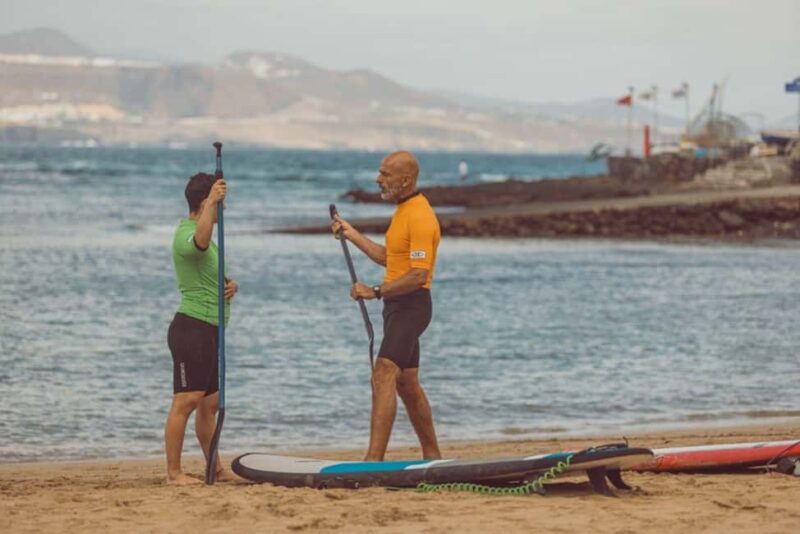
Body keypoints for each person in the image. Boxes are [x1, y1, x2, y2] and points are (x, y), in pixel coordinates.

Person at [331, 151, 442, 461]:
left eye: (385, 174)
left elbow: (419, 275)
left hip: (411, 307)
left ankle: (373, 460)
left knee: (382, 374)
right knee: (407, 383)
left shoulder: (420, 216)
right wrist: (351, 234)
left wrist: (375, 291)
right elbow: (388, 258)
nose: (378, 180)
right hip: (397, 306)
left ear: (405, 180)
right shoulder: (403, 210)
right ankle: (432, 456)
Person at [164, 172, 239, 485]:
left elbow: (210, 275)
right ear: (203, 203)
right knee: (186, 401)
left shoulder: (209, 237)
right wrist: (212, 202)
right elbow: (200, 243)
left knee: (209, 404)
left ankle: (215, 469)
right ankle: (174, 473)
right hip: (191, 328)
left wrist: (230, 285)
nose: (224, 210)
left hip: (211, 330)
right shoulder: (186, 235)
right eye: (220, 204)